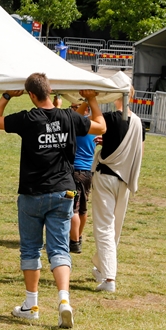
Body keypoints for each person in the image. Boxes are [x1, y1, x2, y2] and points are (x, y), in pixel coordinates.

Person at [0, 73, 105, 329]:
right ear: (51, 91)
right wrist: (92, 100)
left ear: (31, 95)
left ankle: (31, 304)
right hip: (64, 192)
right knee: (60, 249)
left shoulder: (28, 118)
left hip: (32, 193)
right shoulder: (71, 117)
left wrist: (6, 96)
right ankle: (64, 300)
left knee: (31, 249)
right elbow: (101, 126)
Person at [90, 79, 145, 293]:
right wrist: (110, 143)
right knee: (115, 227)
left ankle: (109, 278)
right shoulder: (139, 123)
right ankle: (102, 266)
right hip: (125, 179)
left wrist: (91, 99)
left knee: (104, 226)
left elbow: (94, 124)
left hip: (106, 176)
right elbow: (136, 150)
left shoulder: (111, 118)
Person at [70, 99, 95, 254]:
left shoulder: (76, 126)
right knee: (83, 209)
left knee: (73, 209)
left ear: (85, 110)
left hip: (75, 172)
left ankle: (74, 241)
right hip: (87, 173)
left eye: (75, 107)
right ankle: (78, 237)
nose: (72, 110)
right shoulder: (94, 127)